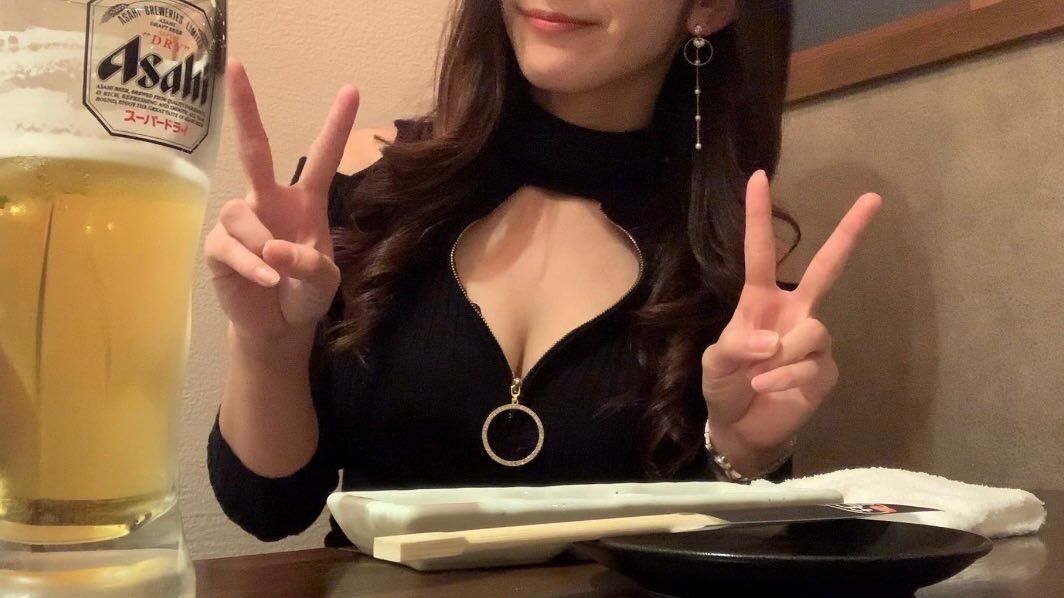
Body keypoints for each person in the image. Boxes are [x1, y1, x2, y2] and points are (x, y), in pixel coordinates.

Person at [205, 0, 882, 545]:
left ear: (709, 6)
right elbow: (267, 507)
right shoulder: (371, 183)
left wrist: (742, 456)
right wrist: (269, 344)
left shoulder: (732, 268)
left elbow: (724, 559)